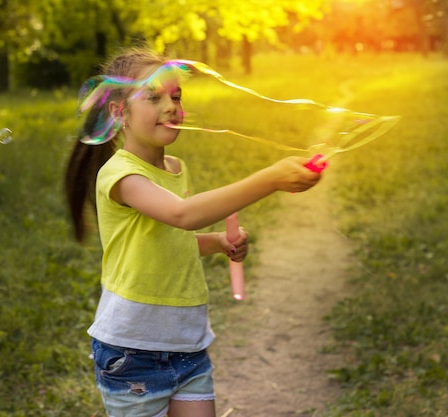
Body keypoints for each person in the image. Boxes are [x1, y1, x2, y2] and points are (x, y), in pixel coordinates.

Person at [65, 48, 321, 417]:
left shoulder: (175, 167)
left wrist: (217, 243)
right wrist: (271, 179)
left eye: (176, 96)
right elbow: (183, 215)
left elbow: (169, 238)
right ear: (119, 112)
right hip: (132, 352)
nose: (170, 106)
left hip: (187, 344)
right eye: (153, 97)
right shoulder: (120, 175)